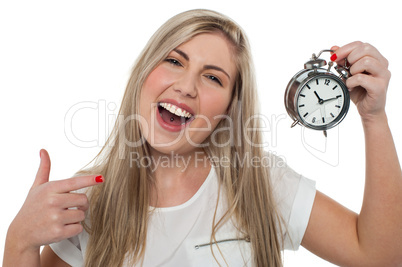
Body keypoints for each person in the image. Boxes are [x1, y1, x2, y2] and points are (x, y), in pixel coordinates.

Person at [3, 9, 402, 267]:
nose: (186, 86)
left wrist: (374, 118)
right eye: (174, 60)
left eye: (213, 77)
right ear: (144, 74)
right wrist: (19, 241)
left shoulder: (260, 185)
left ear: (229, 107)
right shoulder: (90, 202)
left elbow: (382, 256)